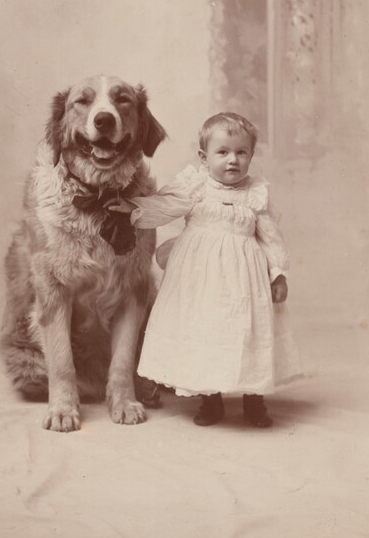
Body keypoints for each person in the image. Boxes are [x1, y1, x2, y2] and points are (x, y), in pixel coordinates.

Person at [110, 112, 301, 427]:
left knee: (247, 334)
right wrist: (134, 209)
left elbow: (271, 238)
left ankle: (254, 400)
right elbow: (163, 207)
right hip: (200, 281)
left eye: (241, 152)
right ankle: (210, 401)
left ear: (252, 155)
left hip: (244, 284)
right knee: (204, 333)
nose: (232, 160)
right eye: (222, 152)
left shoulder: (256, 194)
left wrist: (278, 272)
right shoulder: (195, 186)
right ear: (204, 157)